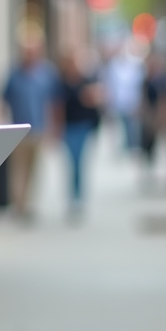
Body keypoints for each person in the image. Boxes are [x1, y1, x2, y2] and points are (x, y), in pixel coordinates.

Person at [0, 26, 59, 220]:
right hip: (18, 130)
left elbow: (53, 102)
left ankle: (29, 204)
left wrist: (53, 128)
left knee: (34, 170)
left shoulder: (46, 73)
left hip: (38, 129)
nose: (30, 54)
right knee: (18, 170)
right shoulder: (14, 73)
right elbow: (2, 97)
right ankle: (19, 205)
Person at [55, 49, 103, 219]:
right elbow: (57, 106)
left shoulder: (86, 80)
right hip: (68, 127)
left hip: (83, 126)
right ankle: (72, 197)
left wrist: (91, 97)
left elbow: (98, 98)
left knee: (80, 162)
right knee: (71, 163)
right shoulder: (61, 83)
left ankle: (79, 197)